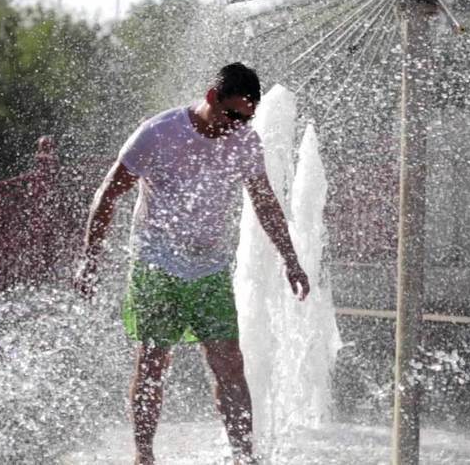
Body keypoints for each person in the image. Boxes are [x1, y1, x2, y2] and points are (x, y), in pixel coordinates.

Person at [73, 63, 310, 465]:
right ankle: (144, 455)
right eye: (232, 114)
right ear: (212, 97)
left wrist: (292, 259)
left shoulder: (245, 142)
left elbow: (265, 203)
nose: (237, 125)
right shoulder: (158, 133)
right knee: (153, 361)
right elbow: (108, 194)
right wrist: (88, 260)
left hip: (209, 269)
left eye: (247, 118)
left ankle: (243, 458)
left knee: (230, 366)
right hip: (155, 265)